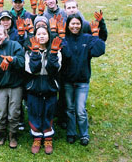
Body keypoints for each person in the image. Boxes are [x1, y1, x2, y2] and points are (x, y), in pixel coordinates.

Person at [60, 14, 105, 146]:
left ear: (81, 25)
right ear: (68, 25)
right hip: (68, 81)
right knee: (70, 109)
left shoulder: (87, 38)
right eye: (72, 24)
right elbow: (66, 54)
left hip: (82, 81)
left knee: (80, 110)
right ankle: (71, 132)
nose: (75, 26)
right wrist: (62, 38)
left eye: (77, 24)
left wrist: (96, 34)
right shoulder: (64, 38)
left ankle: (84, 134)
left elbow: (99, 51)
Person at [25, 27, 62, 154]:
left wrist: (53, 54)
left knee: (48, 112)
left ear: (48, 36)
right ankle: (36, 137)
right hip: (34, 88)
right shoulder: (29, 52)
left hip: (50, 87)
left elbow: (53, 70)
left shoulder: (56, 50)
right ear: (34, 36)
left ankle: (48, 138)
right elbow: (32, 70)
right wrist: (35, 53)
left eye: (44, 34)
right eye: (38, 34)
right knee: (35, 112)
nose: (41, 36)